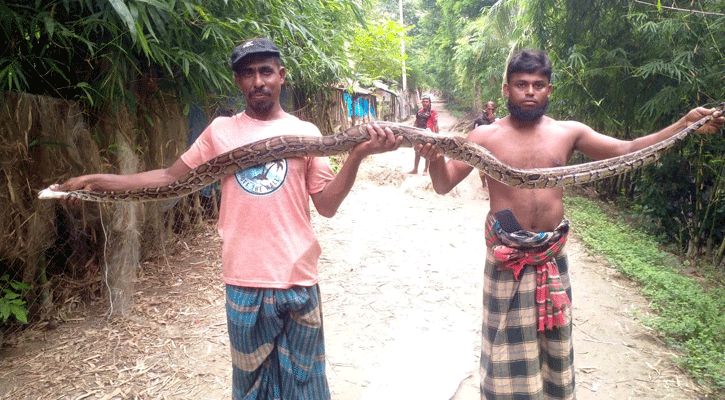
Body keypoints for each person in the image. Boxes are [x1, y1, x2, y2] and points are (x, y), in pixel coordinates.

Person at [51, 37, 402, 400]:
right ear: (238, 81)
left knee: (307, 385)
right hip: (243, 279)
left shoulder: (308, 134)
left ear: (282, 75)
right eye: (247, 73)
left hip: (298, 277)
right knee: (250, 388)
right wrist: (98, 182)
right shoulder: (221, 131)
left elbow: (326, 206)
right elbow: (170, 179)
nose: (258, 81)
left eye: (266, 71)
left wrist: (357, 156)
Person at [415, 49, 724, 399]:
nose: (529, 92)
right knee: (504, 352)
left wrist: (683, 125)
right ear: (506, 90)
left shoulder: (568, 133)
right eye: (521, 84)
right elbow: (443, 185)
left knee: (555, 349)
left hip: (551, 258)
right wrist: (435, 158)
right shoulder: (484, 137)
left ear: (549, 90)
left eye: (538, 85)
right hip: (507, 260)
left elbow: (629, 149)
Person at [408, 93, 439, 174]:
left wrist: (437, 137)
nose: (425, 103)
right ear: (422, 103)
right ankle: (415, 169)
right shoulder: (419, 112)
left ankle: (425, 170)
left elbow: (435, 125)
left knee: (427, 152)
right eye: (424, 102)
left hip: (429, 134)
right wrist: (412, 131)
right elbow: (416, 122)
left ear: (429, 102)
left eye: (427, 101)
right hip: (419, 134)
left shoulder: (433, 112)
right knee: (417, 151)